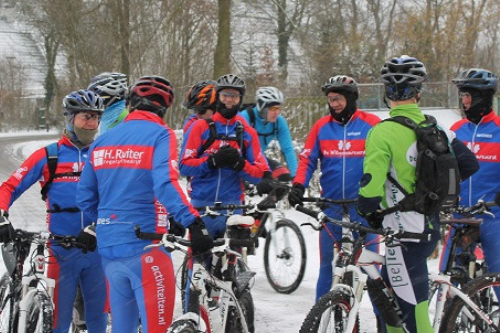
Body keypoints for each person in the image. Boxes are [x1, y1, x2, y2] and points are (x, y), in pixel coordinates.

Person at [76, 75, 213, 333]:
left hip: (109, 248)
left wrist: (108, 220)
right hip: (146, 247)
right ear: (163, 109)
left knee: (122, 328)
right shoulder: (161, 135)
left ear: (130, 103)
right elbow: (165, 183)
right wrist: (192, 221)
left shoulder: (102, 140)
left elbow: (85, 196)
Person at [357, 56, 479, 333]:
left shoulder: (382, 132)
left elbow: (370, 189)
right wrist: (433, 194)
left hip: (403, 233)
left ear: (386, 92)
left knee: (412, 314)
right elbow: (470, 164)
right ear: (419, 92)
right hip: (428, 227)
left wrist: (367, 212)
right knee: (394, 311)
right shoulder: (437, 128)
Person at [0, 89, 108, 333]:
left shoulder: (104, 155)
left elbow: (121, 199)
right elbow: (9, 187)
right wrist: (1, 214)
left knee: (98, 320)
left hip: (99, 251)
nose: (91, 123)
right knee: (57, 323)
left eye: (95, 118)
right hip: (62, 251)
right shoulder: (50, 156)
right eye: (85, 117)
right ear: (69, 118)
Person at [288, 75, 381, 301]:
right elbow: (308, 159)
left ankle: (382, 321)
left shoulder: (372, 124)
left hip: (365, 208)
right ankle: (322, 315)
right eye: (331, 99)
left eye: (338, 99)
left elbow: (385, 162)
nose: (334, 104)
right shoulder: (322, 126)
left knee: (373, 269)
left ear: (350, 98)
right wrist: (298, 184)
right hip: (332, 207)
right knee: (327, 266)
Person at [180, 73, 270, 239]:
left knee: (231, 261)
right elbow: (184, 166)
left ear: (240, 99)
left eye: (234, 96)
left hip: (232, 207)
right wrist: (211, 162)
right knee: (196, 258)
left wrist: (240, 164)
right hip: (202, 206)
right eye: (225, 95)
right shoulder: (200, 127)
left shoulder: (247, 133)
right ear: (218, 97)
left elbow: (261, 174)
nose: (229, 100)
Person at [440, 69, 500, 287]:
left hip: (493, 216)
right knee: (446, 277)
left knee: (497, 276)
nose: (464, 101)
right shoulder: (456, 130)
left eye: (468, 96)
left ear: (482, 97)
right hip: (460, 215)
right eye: (462, 96)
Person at [240, 87, 297, 181]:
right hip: (243, 159)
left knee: (284, 176)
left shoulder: (279, 122)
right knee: (264, 180)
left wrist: (296, 176)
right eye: (273, 108)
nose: (277, 112)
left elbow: (288, 149)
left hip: (260, 159)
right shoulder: (245, 118)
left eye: (278, 108)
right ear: (262, 107)